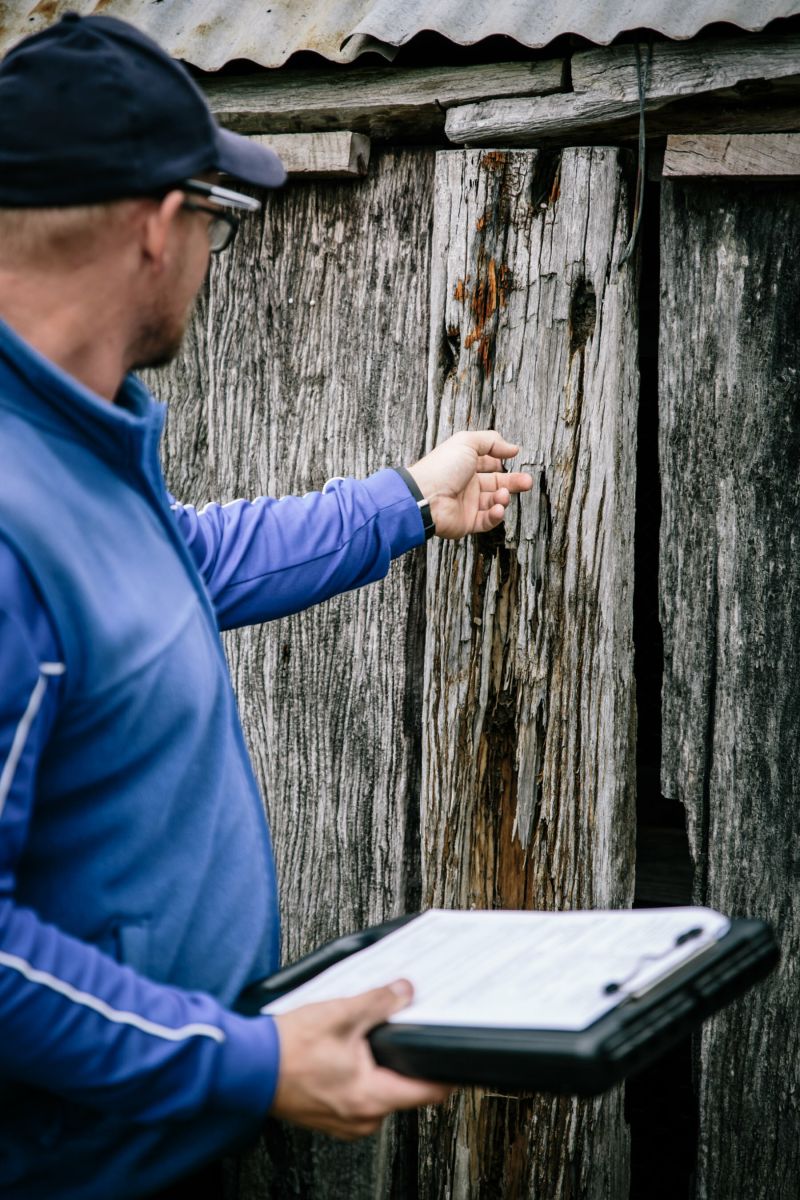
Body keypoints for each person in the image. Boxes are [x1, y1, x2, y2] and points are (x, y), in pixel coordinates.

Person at [0, 14, 533, 1200]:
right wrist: (244, 1062)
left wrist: (403, 500)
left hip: (154, 1142)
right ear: (155, 220)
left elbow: (185, 563)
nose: (208, 251)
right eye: (214, 217)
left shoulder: (70, 449)